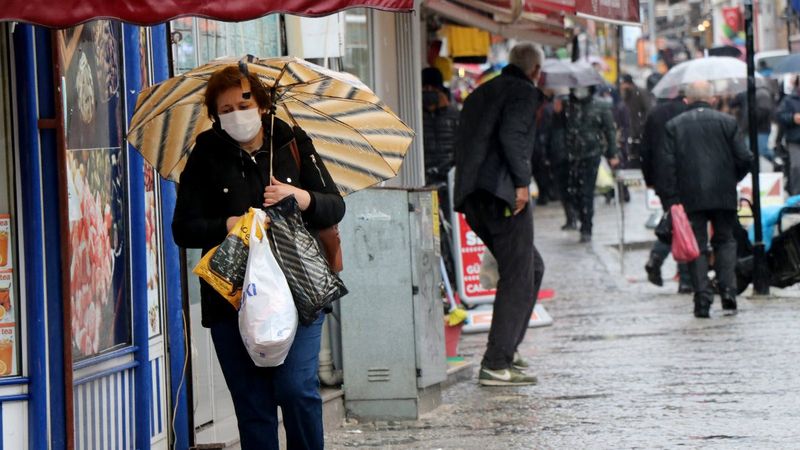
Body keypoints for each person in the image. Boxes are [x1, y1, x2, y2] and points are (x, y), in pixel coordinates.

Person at [172, 66, 345, 449]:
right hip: (232, 298)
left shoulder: (292, 141)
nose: (237, 114)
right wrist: (227, 223)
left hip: (299, 289)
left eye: (244, 105)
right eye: (226, 109)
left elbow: (335, 206)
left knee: (296, 389)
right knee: (253, 406)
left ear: (263, 105)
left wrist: (301, 197)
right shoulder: (205, 153)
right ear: (216, 115)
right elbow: (183, 229)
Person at [453, 42, 545, 386]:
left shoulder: (482, 92)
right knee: (519, 275)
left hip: (472, 195)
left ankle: (508, 350)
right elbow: (512, 136)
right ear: (535, 71)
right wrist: (522, 183)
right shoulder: (523, 92)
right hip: (502, 194)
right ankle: (496, 362)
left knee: (531, 267)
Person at [656, 81, 752, 318]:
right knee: (725, 240)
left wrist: (672, 199)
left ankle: (702, 299)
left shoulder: (674, 126)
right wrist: (731, 178)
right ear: (713, 99)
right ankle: (728, 291)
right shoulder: (727, 122)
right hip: (723, 193)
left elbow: (667, 166)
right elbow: (744, 157)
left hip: (690, 196)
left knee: (696, 245)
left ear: (686, 101)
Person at [641, 95, 692, 293]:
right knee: (684, 225)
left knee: (674, 222)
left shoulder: (655, 114)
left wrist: (649, 178)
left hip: (663, 178)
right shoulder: (688, 112)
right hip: (686, 175)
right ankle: (685, 279)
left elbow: (645, 150)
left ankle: (657, 257)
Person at [564, 84, 620, 243]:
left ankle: (586, 227)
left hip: (591, 154)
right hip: (571, 155)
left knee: (586, 192)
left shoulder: (601, 106)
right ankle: (580, 217)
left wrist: (612, 153)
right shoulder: (569, 105)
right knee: (573, 192)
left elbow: (609, 130)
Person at [540, 93, 576, 229]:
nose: (555, 106)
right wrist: (546, 156)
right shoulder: (552, 120)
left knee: (570, 191)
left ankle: (574, 217)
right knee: (562, 191)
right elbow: (547, 138)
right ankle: (570, 218)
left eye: (558, 103)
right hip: (557, 161)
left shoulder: (570, 122)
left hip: (568, 161)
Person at [620, 74, 652, 166]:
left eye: (623, 83)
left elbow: (647, 109)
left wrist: (642, 123)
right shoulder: (627, 93)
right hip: (632, 126)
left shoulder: (639, 92)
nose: (621, 86)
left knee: (637, 149)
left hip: (638, 127)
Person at [777, 77, 800, 195]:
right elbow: (780, 116)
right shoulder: (789, 99)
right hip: (794, 139)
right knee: (797, 167)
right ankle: (796, 195)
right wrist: (792, 118)